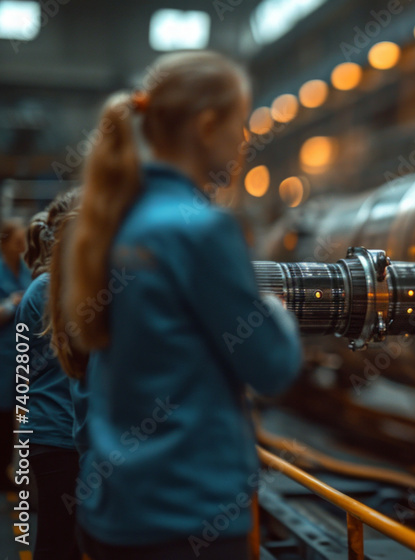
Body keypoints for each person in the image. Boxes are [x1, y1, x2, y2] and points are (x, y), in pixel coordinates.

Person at [51, 51, 303, 559]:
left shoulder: (108, 223)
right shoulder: (202, 229)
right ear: (208, 126)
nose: (244, 141)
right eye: (241, 124)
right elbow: (273, 367)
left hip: (113, 515)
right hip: (189, 517)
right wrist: (275, 310)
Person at [17, 189, 83, 560]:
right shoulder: (52, 289)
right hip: (60, 435)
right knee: (58, 544)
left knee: (63, 541)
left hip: (51, 431)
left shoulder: (42, 286)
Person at [0, 218, 31, 489]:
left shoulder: (25, 270)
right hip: (2, 356)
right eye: (17, 242)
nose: (22, 248)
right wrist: (11, 304)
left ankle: (7, 471)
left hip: (18, 357)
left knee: (14, 420)